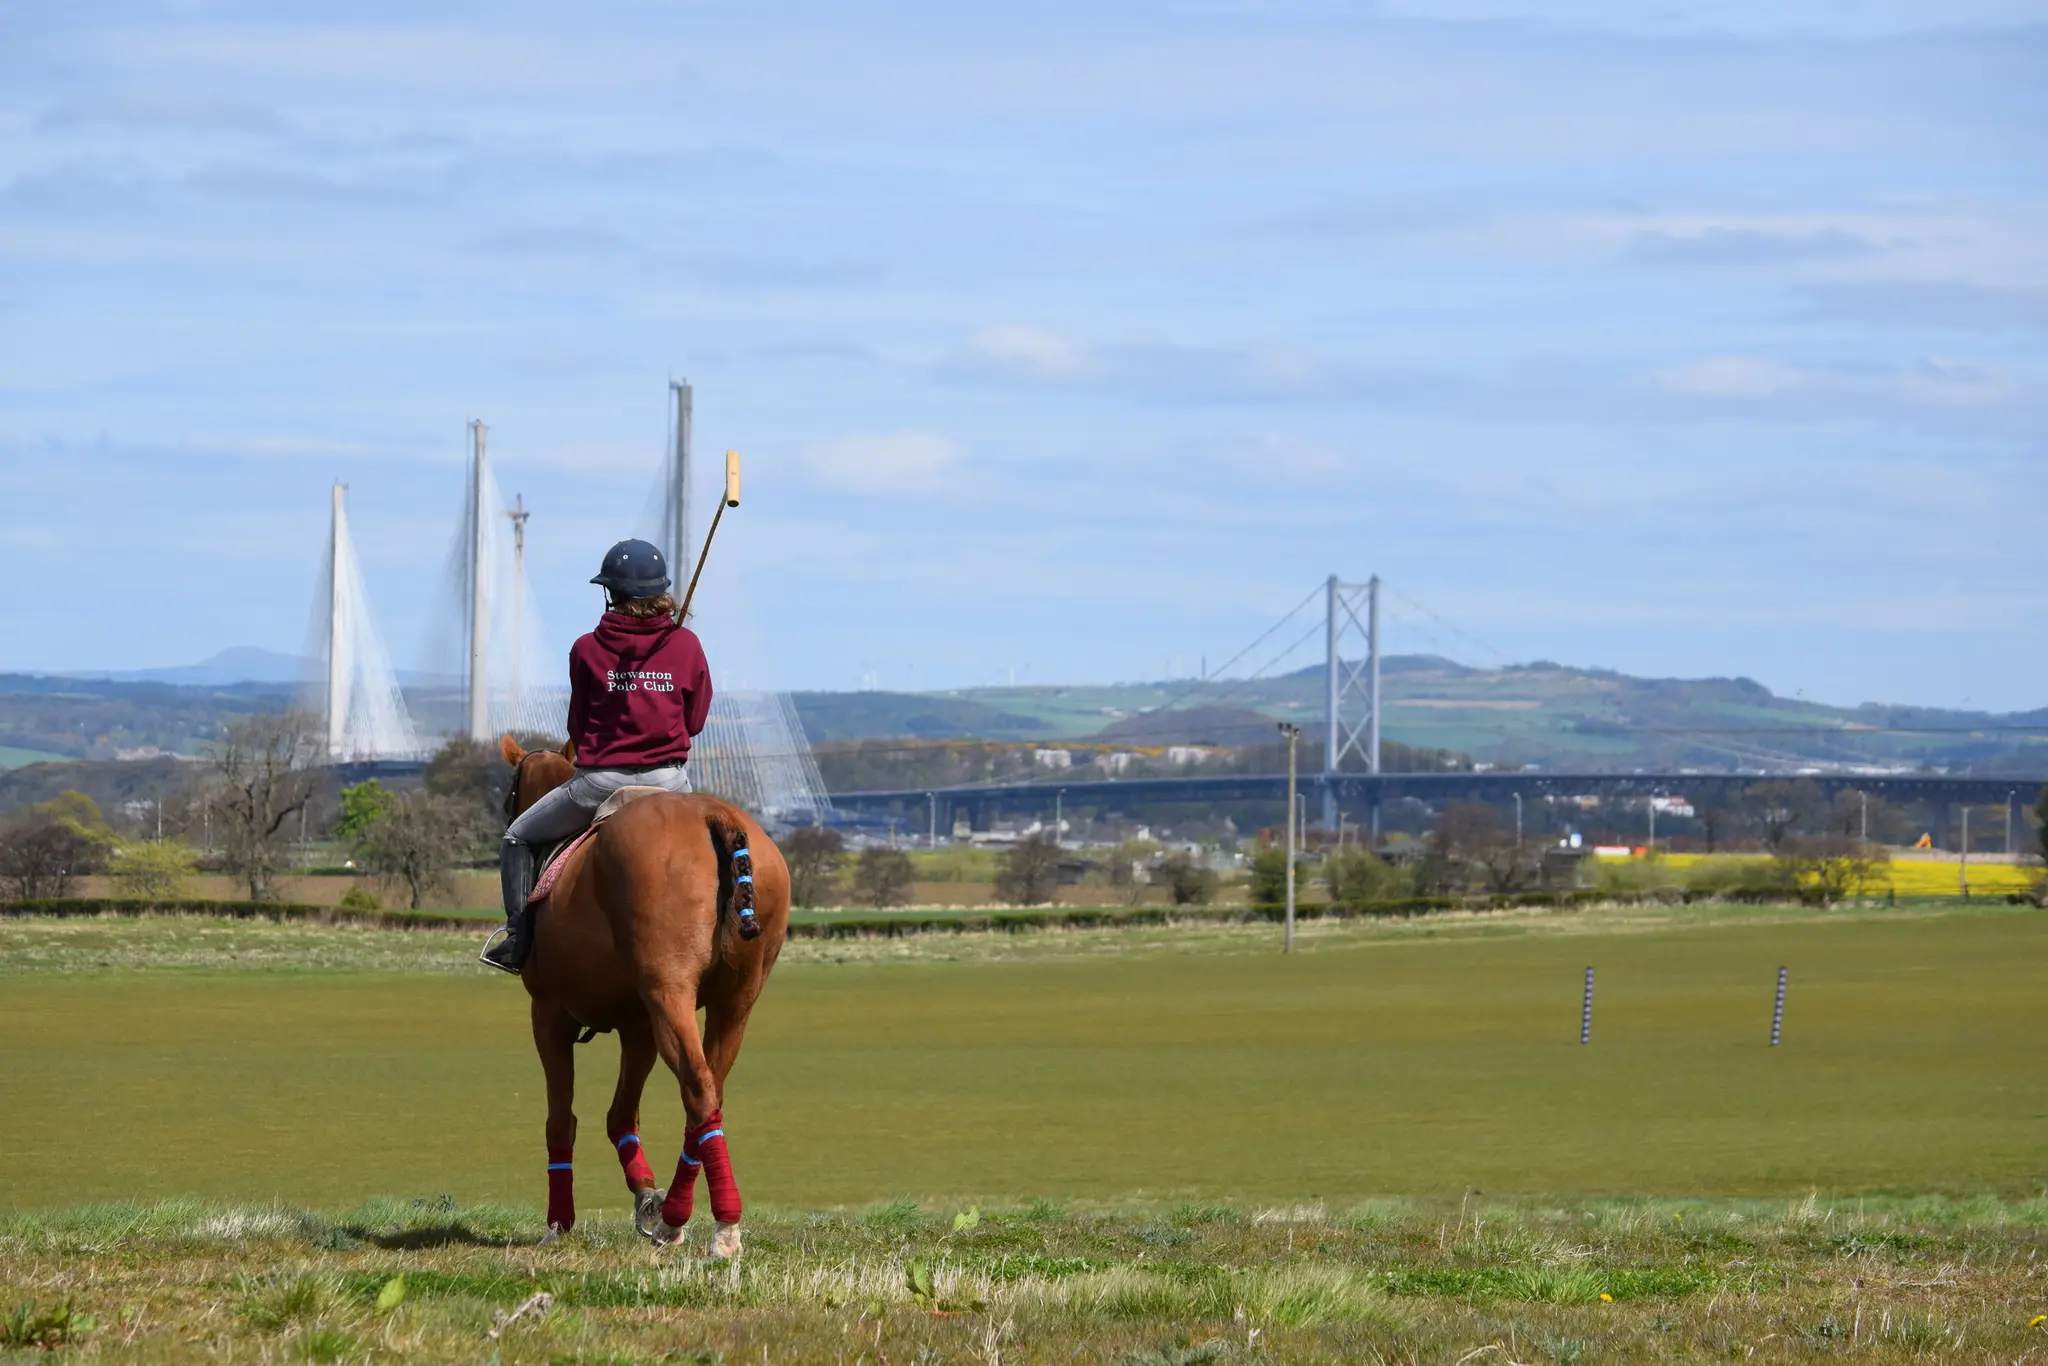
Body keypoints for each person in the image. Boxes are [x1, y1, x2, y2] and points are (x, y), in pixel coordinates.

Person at [480, 538, 713, 974]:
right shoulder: (686, 645)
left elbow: (578, 728)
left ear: (612, 593)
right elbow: (695, 720)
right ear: (661, 592)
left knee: (517, 837)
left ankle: (517, 938)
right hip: (671, 784)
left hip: (600, 782)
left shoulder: (586, 649)